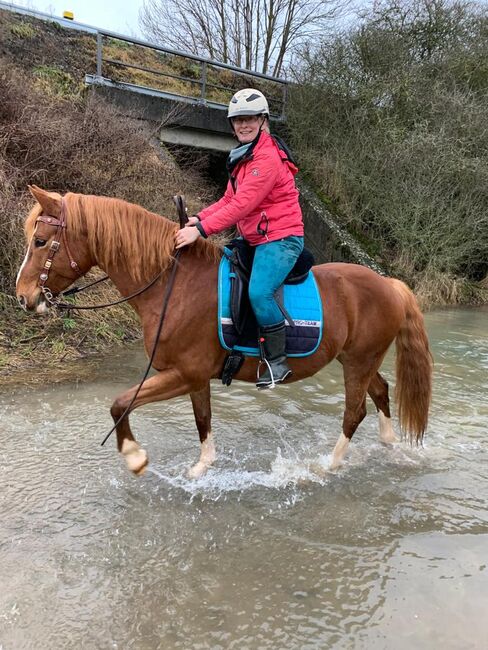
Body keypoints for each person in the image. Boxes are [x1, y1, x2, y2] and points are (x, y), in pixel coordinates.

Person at [175, 88, 304, 388]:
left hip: (281, 237)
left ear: (262, 120)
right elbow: (228, 199)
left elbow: (242, 205)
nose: (243, 125)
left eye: (249, 119)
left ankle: (277, 362)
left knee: (259, 292)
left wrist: (201, 231)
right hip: (256, 237)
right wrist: (200, 217)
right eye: (238, 120)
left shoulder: (266, 158)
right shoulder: (244, 156)